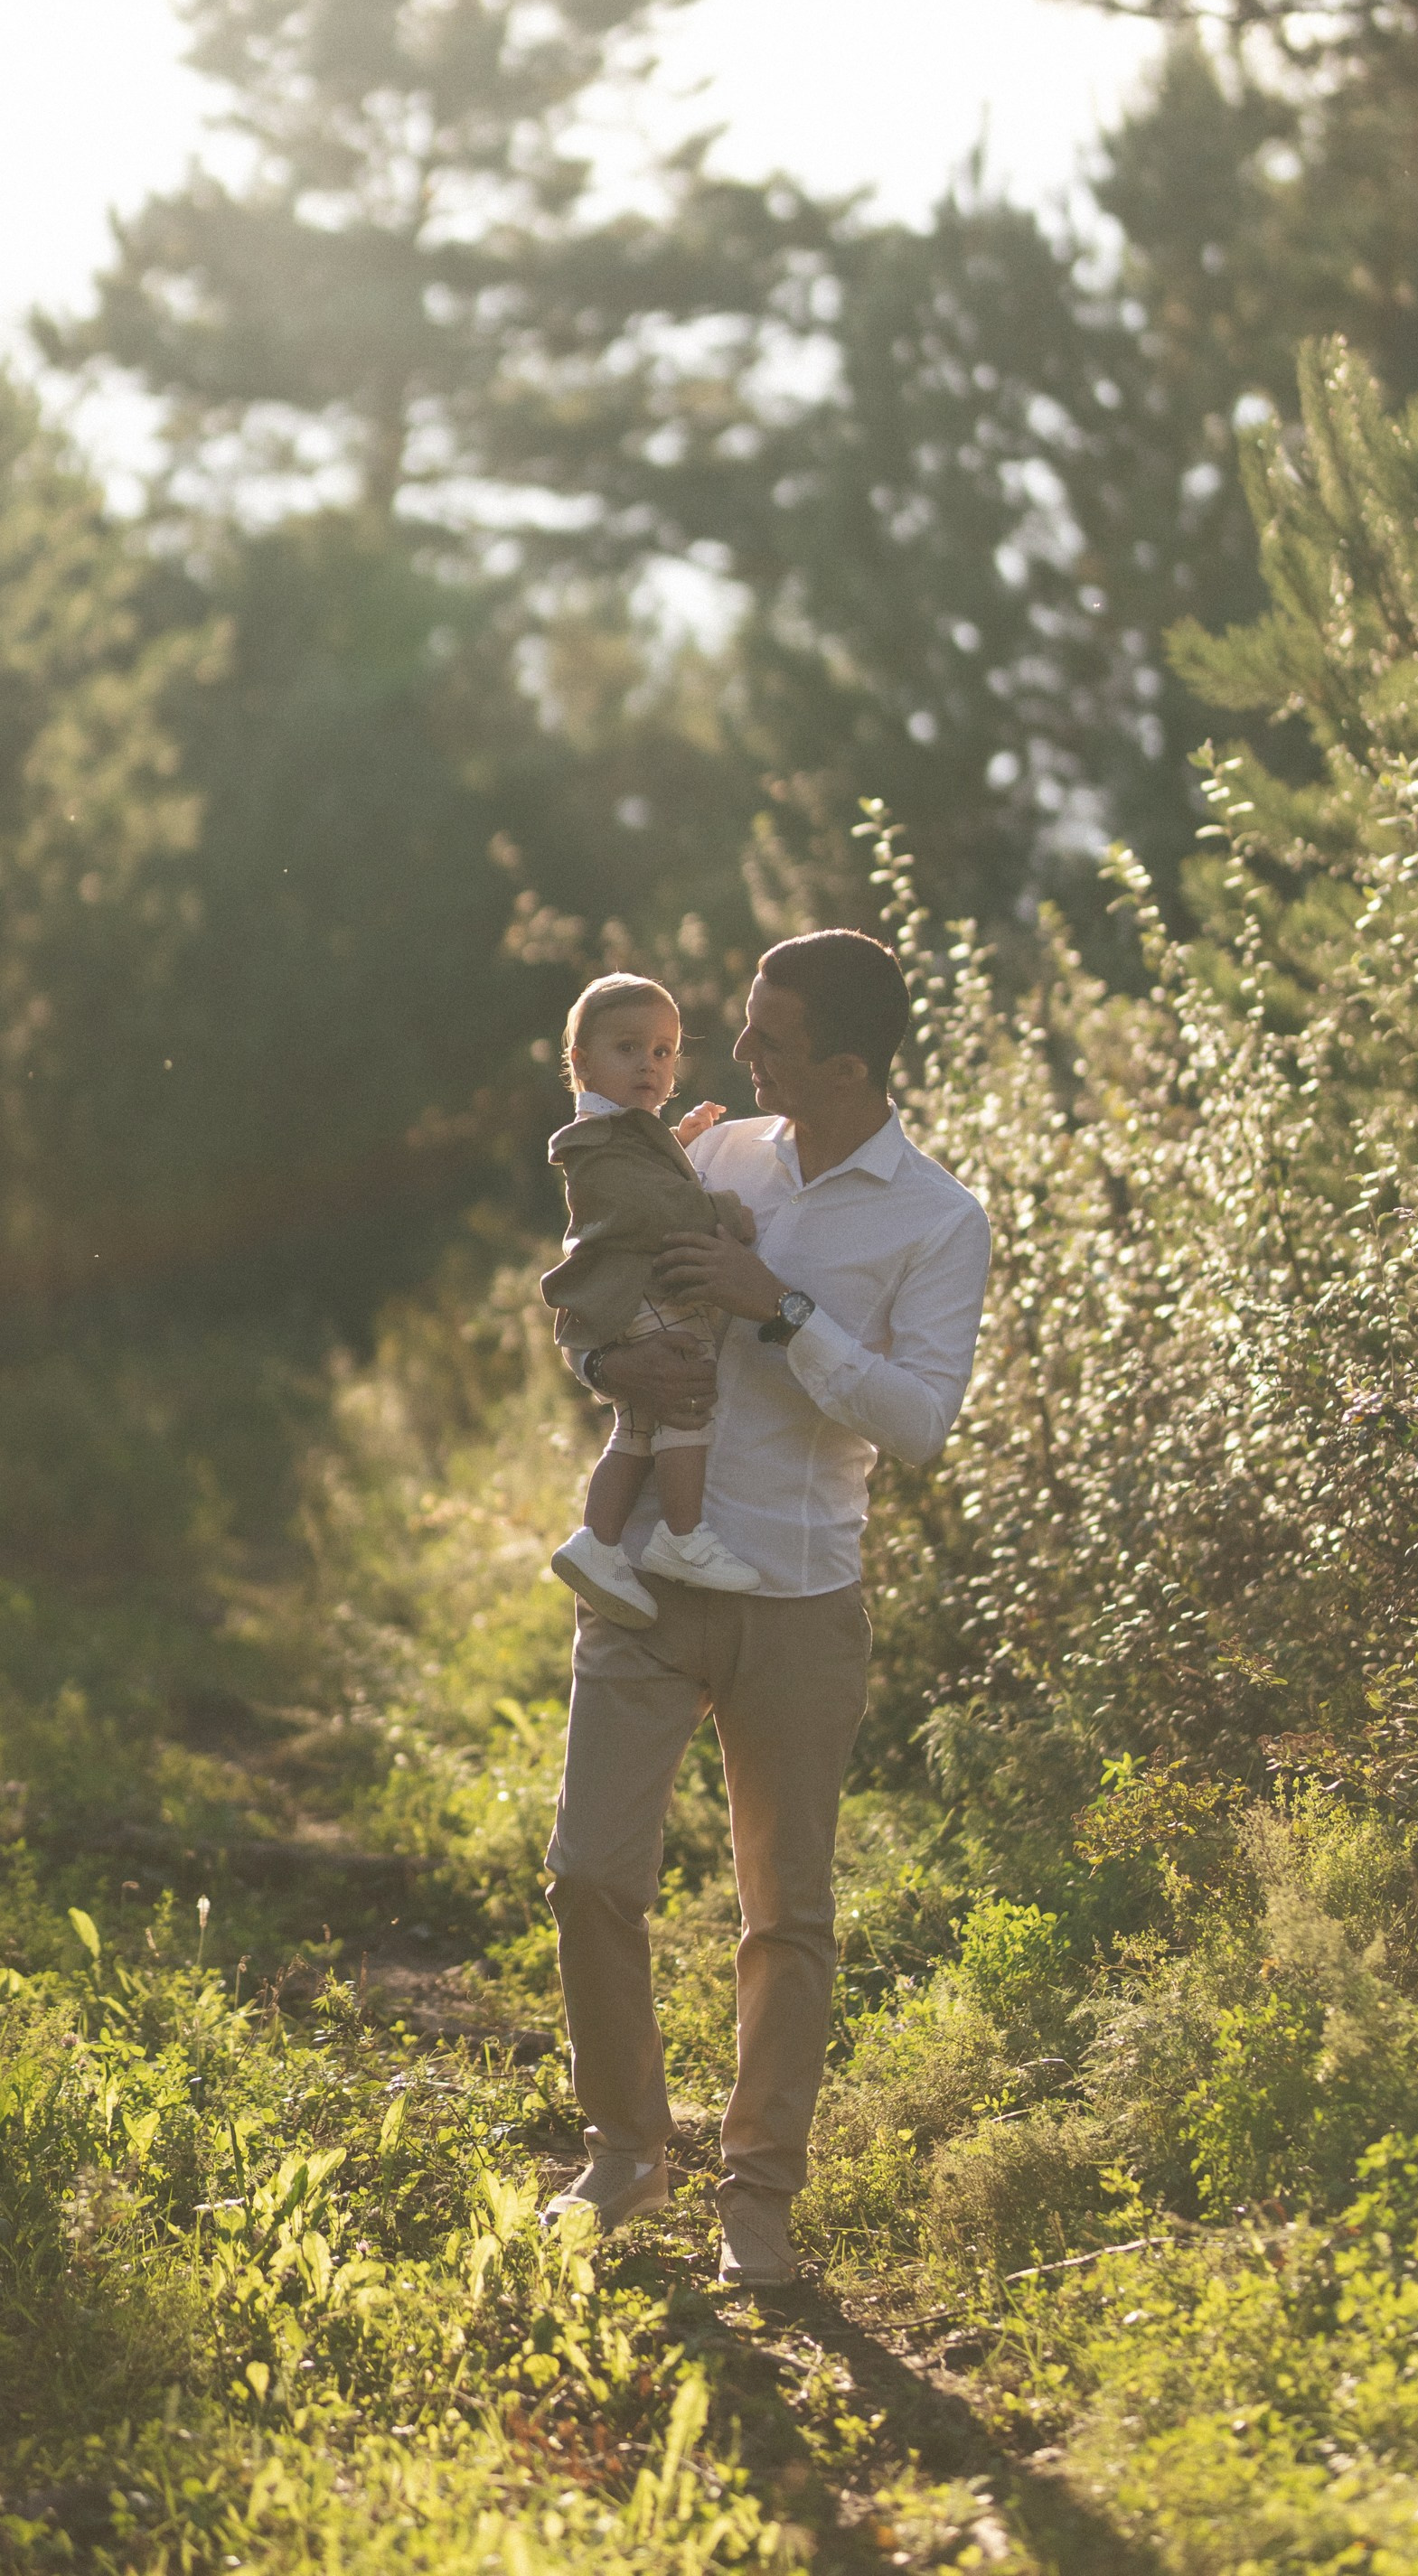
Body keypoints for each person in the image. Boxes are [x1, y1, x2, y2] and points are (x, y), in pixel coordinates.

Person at [541, 929, 992, 2287]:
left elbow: (920, 1423)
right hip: (655, 1585)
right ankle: (627, 2149)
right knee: (587, 1875)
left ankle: (758, 2202)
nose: (740, 1054)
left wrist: (780, 1306)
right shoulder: (714, 1155)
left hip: (801, 1600)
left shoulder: (937, 1218)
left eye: (772, 1036)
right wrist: (612, 1356)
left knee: (784, 1914)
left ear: (849, 1063)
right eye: (742, 1025)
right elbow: (598, 1289)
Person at [543, 973, 764, 1625]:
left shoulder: (623, 1133)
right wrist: (726, 1212)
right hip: (647, 1292)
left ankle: (599, 1543)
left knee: (637, 1429)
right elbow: (658, 1206)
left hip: (632, 1294)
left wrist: (680, 1141)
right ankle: (682, 1533)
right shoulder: (593, 1142)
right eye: (629, 1048)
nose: (650, 1064)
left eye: (664, 1052)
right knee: (686, 1398)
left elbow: (651, 1173)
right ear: (581, 1063)